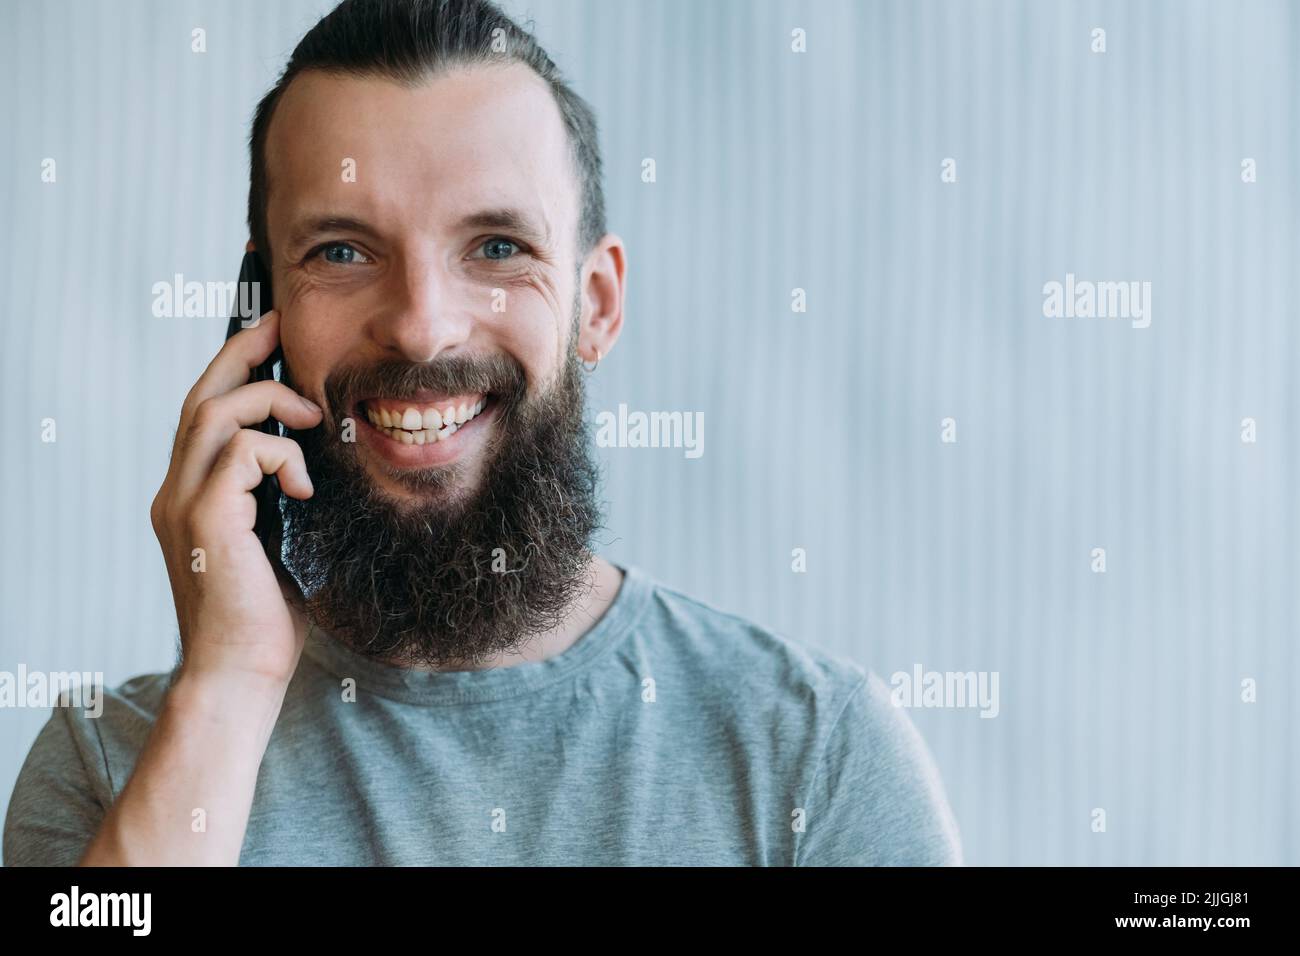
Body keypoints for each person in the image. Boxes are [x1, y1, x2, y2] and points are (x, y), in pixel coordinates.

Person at [4, 0, 961, 866]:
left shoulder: (819, 763)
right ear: (261, 310)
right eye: (342, 251)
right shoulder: (114, 766)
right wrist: (228, 688)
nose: (421, 325)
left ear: (596, 304)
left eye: (497, 247)